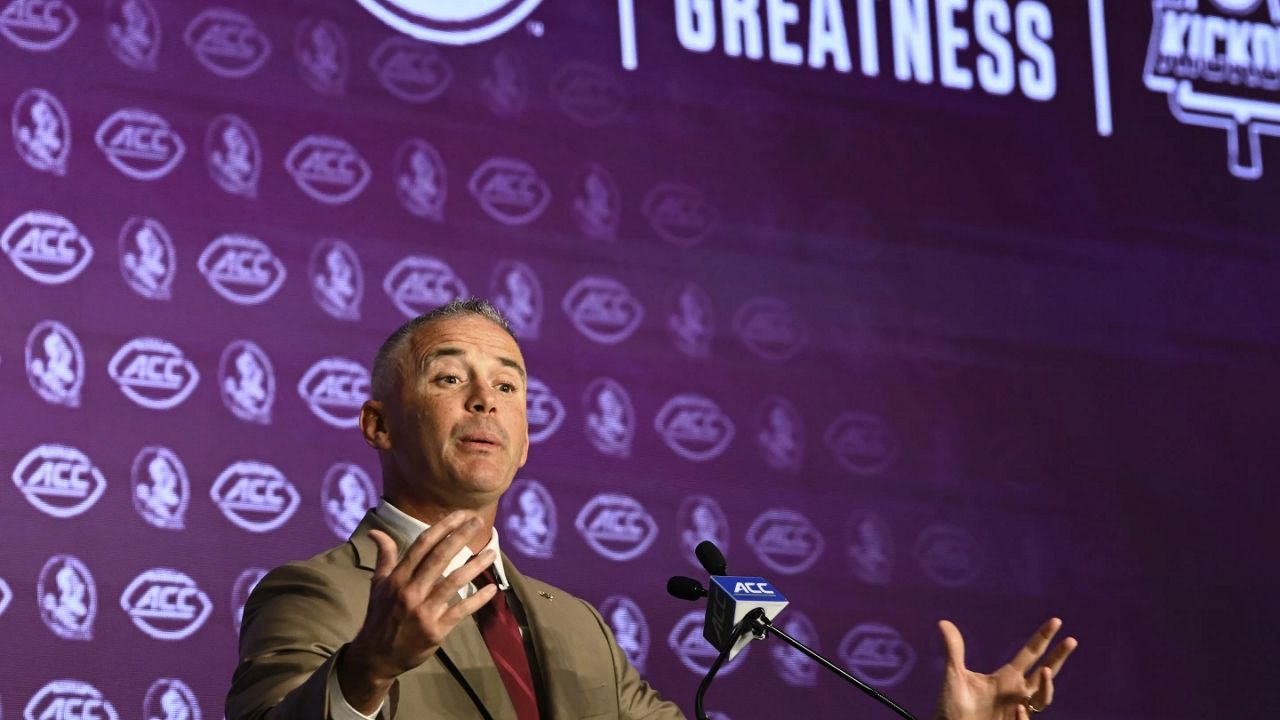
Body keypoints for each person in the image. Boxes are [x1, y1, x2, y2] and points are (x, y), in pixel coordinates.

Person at [226, 298, 1076, 720]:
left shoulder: (573, 629)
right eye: (449, 377)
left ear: (528, 438)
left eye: (510, 386)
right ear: (377, 423)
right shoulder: (319, 595)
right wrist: (366, 670)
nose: (486, 400)